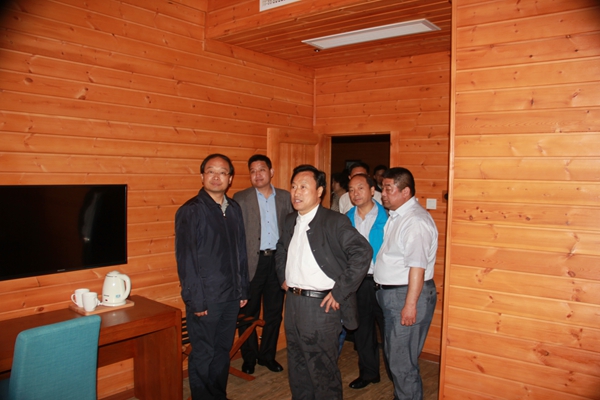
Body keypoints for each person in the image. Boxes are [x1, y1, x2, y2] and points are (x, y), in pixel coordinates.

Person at [275, 164, 372, 400]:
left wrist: (340, 292)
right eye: (294, 187)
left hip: (321, 307)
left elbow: (362, 252)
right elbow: (281, 249)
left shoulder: (334, 221)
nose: (296, 192)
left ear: (319, 191)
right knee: (297, 364)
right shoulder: (290, 220)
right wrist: (283, 277)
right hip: (293, 302)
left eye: (303, 187)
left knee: (322, 371)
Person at [175, 153, 250, 400]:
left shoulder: (234, 208)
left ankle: (218, 395)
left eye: (222, 172)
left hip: (231, 296)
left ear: (230, 178)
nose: (216, 177)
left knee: (222, 350)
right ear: (202, 176)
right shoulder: (191, 211)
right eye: (211, 171)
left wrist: (243, 289)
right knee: (203, 353)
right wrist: (196, 301)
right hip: (206, 299)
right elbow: (186, 260)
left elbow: (241, 252)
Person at [374, 167, 438, 400]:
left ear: (406, 191)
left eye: (388, 189)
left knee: (402, 362)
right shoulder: (398, 216)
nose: (383, 194)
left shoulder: (415, 222)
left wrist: (410, 305)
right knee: (396, 357)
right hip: (394, 295)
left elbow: (417, 267)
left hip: (406, 296)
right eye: (382, 188)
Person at [233, 154, 293, 375]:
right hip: (252, 262)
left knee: (274, 312)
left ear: (271, 172)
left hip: (277, 261)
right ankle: (249, 357)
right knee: (247, 313)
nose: (257, 175)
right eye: (253, 171)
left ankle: (267, 355)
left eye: (261, 170)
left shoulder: (286, 197)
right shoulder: (240, 198)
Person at [345, 173, 389, 390]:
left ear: (373, 190)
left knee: (389, 331)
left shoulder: (388, 217)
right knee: (362, 330)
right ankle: (369, 373)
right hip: (358, 282)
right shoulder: (345, 219)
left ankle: (396, 375)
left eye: (360, 188)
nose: (356, 193)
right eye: (351, 190)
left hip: (383, 281)